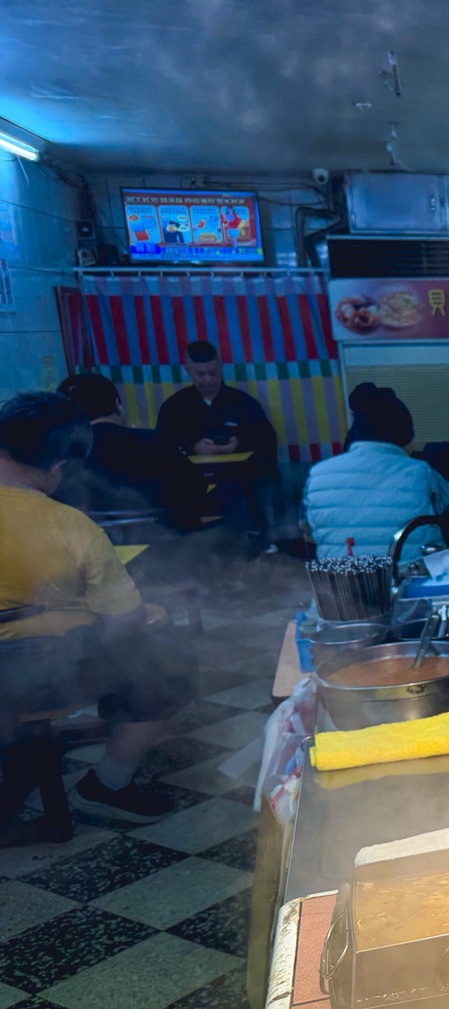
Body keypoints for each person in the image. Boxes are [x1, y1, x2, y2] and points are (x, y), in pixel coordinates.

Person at [0, 391, 196, 846]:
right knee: (168, 666)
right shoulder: (71, 527)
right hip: (37, 674)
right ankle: (109, 783)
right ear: (59, 466)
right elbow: (122, 620)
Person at [302, 383, 449, 561]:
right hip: (411, 576)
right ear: (405, 437)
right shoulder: (423, 474)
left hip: (341, 577)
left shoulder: (316, 477)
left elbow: (309, 538)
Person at [53, 372, 213, 533]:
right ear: (118, 405)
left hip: (98, 544)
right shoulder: (155, 441)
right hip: (170, 542)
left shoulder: (62, 459)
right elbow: (196, 487)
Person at [157, 339, 278, 539]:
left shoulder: (243, 404)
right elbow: (162, 445)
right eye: (200, 374)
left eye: (212, 373)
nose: (207, 380)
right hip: (191, 484)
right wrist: (192, 446)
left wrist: (239, 444)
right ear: (188, 370)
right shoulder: (174, 407)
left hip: (240, 484)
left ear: (220, 366)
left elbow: (266, 440)